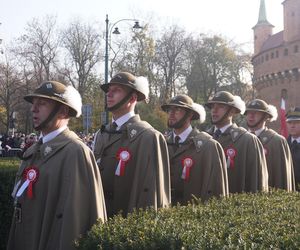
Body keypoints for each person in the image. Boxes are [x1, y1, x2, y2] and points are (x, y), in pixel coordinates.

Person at [7, 81, 107, 250]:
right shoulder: (33, 151)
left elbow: (75, 222)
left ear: (63, 111)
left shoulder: (76, 152)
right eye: (34, 103)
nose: (33, 109)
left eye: (42, 103)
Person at [93, 72, 170, 217]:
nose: (109, 94)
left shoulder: (149, 137)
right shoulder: (101, 134)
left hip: (128, 225)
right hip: (100, 219)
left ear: (133, 98)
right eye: (108, 91)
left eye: (117, 90)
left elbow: (151, 192)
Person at [161, 95, 228, 205]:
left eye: (177, 109)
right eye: (169, 109)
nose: (171, 113)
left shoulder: (208, 146)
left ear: (190, 114)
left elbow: (215, 190)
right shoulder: (162, 143)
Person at [205, 91, 269, 194]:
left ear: (232, 111)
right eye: (212, 106)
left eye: (221, 106)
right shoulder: (204, 138)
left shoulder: (247, 140)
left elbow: (256, 183)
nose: (214, 110)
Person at [245, 99, 295, 191]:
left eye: (256, 113)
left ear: (266, 116)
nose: (251, 116)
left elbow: (281, 177)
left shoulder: (277, 141)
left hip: (268, 198)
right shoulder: (241, 139)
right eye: (248, 112)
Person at [286, 107, 300, 191]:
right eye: (290, 122)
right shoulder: (283, 144)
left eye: (297, 122)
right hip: (286, 191)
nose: (292, 126)